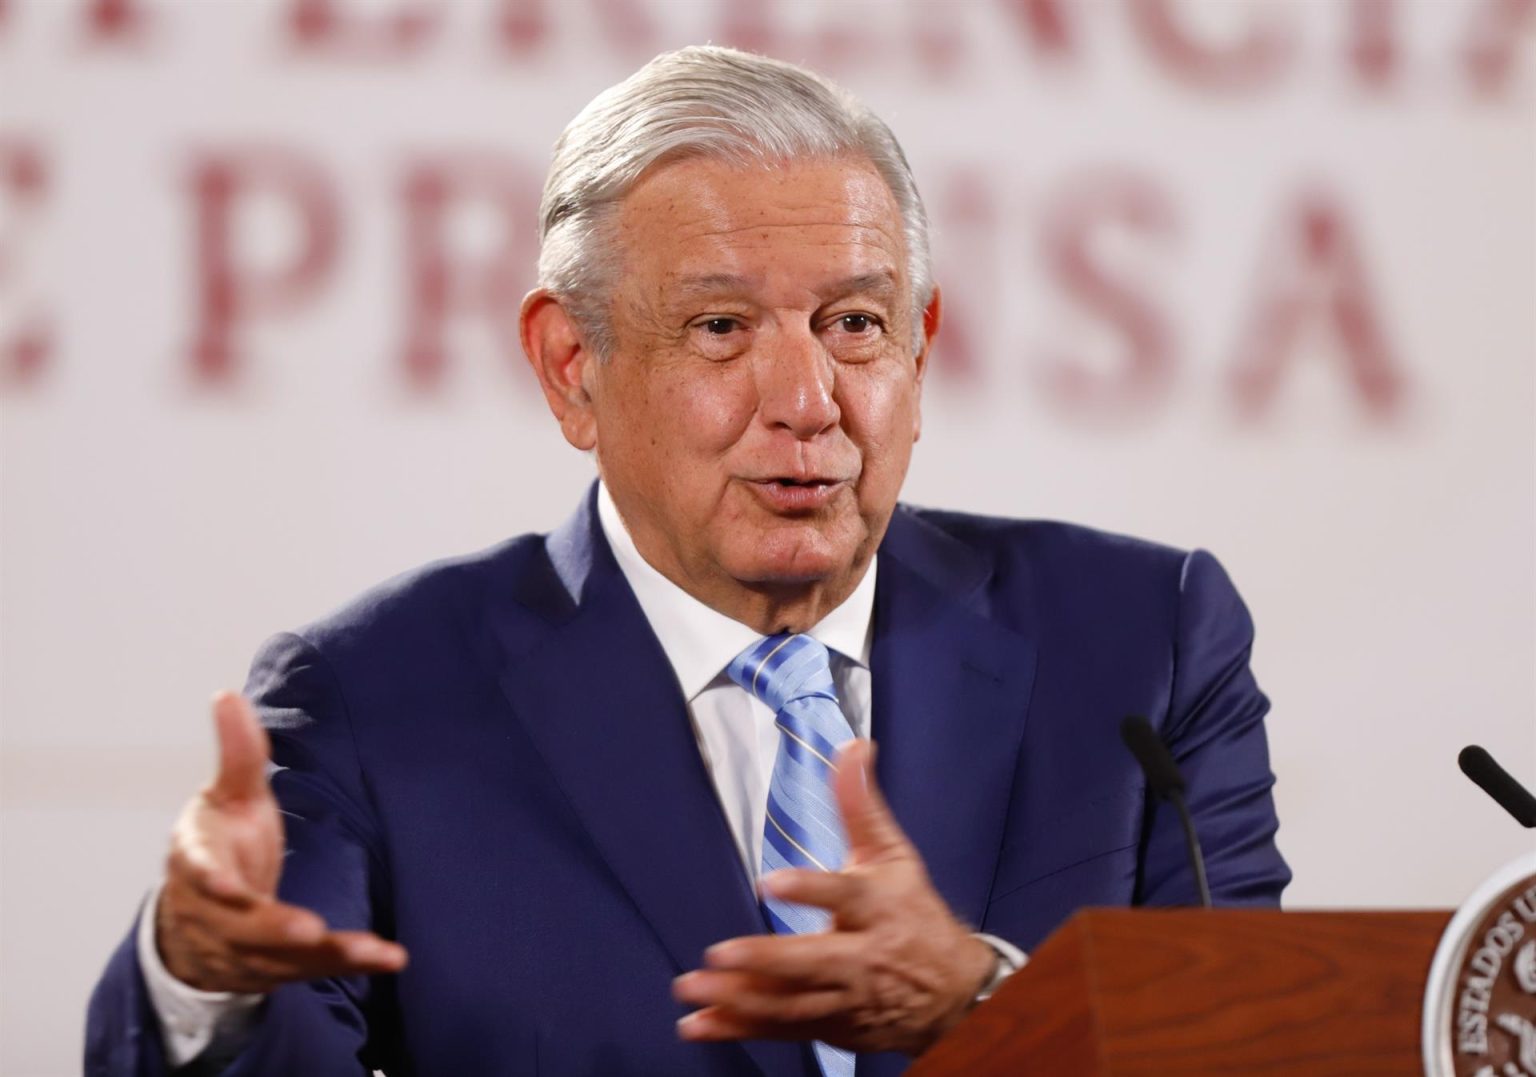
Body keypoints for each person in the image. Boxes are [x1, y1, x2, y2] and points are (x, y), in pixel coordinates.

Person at [86, 45, 1289, 1077]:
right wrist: (200, 978)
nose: (807, 400)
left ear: (919, 351)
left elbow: (1257, 1053)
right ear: (572, 367)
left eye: (854, 325)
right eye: (721, 329)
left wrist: (990, 1005)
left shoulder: (1144, 645)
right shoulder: (373, 703)